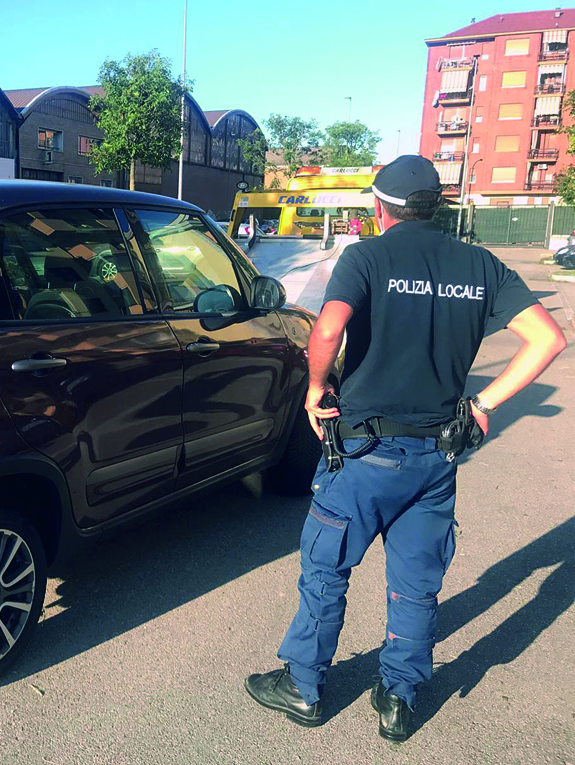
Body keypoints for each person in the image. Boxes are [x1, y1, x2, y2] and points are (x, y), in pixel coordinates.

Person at [243, 155, 567, 741]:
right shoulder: (480, 264)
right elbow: (548, 338)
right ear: (436, 206)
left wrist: (316, 389)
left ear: (378, 207)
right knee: (416, 581)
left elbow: (328, 329)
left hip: (365, 455)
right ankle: (398, 696)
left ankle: (304, 685)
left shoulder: (367, 256)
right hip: (436, 458)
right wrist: (483, 405)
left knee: (326, 568)